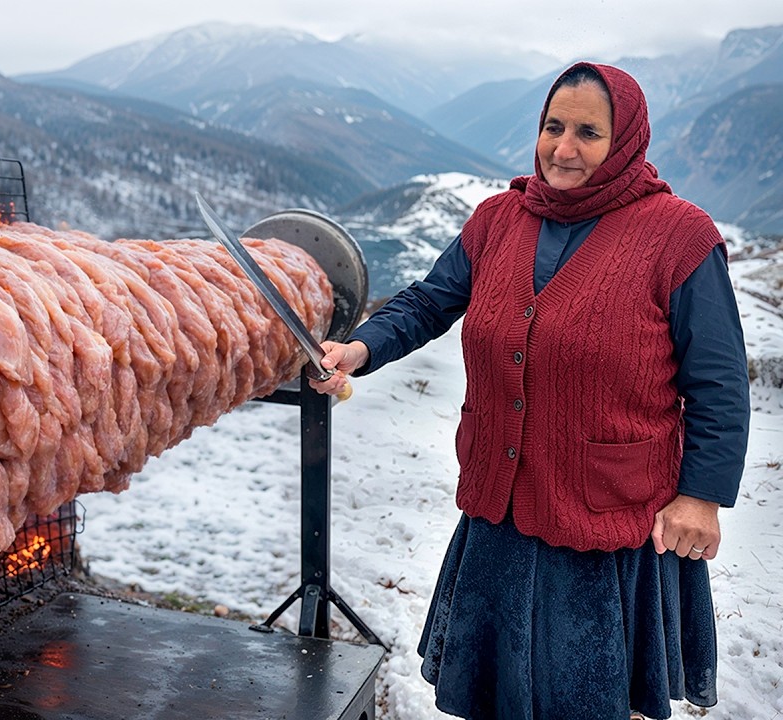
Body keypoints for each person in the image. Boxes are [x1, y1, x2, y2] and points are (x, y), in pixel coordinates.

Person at [309, 62, 750, 720]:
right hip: (503, 510)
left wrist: (702, 496)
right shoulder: (498, 220)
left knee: (590, 699)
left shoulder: (679, 237)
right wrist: (362, 347)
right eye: (553, 126)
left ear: (625, 139)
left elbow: (718, 382)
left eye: (588, 133)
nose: (563, 148)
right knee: (500, 699)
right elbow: (431, 302)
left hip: (606, 523)